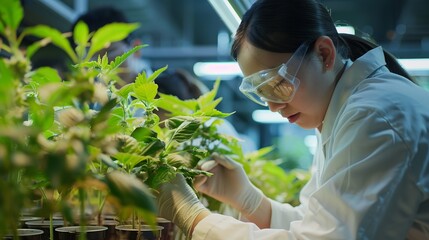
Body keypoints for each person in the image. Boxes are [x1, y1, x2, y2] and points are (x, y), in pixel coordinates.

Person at [156, 0, 429, 239]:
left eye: (278, 83)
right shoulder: (336, 111)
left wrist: (194, 217)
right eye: (261, 92)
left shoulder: (375, 115)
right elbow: (317, 223)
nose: (273, 106)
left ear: (324, 54)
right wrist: (252, 202)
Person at [70, 6, 152, 86]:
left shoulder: (161, 93)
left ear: (136, 49)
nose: (97, 69)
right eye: (87, 61)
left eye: (109, 54)